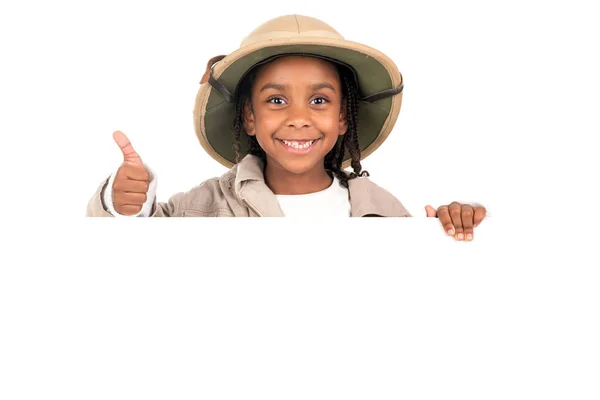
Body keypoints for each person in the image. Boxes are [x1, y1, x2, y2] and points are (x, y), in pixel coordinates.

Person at [86, 14, 487, 241]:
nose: (299, 118)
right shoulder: (203, 207)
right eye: (276, 100)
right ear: (249, 117)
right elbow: (130, 254)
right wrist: (125, 205)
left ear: (343, 116)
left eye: (319, 100)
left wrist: (452, 227)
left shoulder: (380, 210)